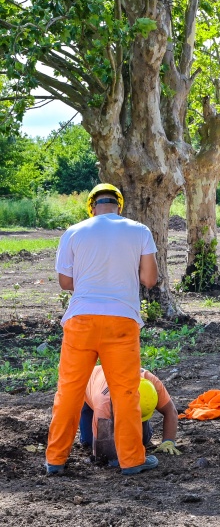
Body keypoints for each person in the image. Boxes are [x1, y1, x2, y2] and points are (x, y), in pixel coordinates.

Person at [47, 184, 160, 476]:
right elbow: (149, 279)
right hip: (121, 321)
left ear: (91, 206)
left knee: (69, 392)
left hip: (80, 322)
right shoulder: (139, 231)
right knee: (125, 394)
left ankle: (56, 460)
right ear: (119, 206)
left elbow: (65, 282)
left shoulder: (73, 232)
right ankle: (132, 460)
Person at [80, 365, 181, 465]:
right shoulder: (104, 402)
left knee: (143, 440)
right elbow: (101, 450)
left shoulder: (152, 382)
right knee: (90, 440)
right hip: (89, 387)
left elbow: (171, 411)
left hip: (115, 393)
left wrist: (168, 441)